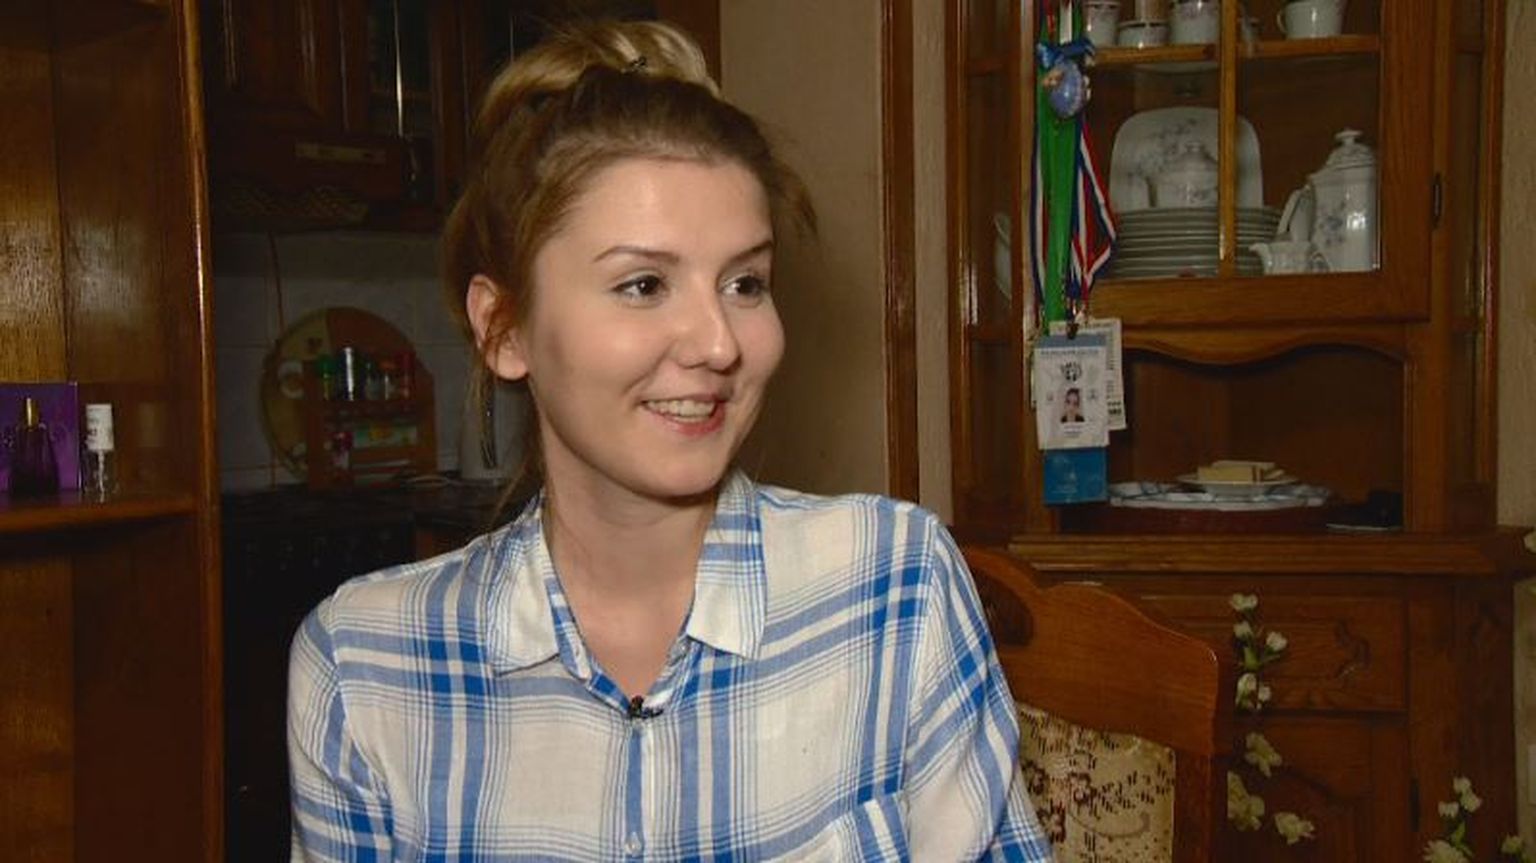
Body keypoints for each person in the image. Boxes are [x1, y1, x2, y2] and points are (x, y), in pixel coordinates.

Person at [288, 19, 1052, 861]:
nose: (719, 343)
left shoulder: (894, 588)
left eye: (745, 282)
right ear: (502, 327)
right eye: (644, 283)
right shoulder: (364, 666)